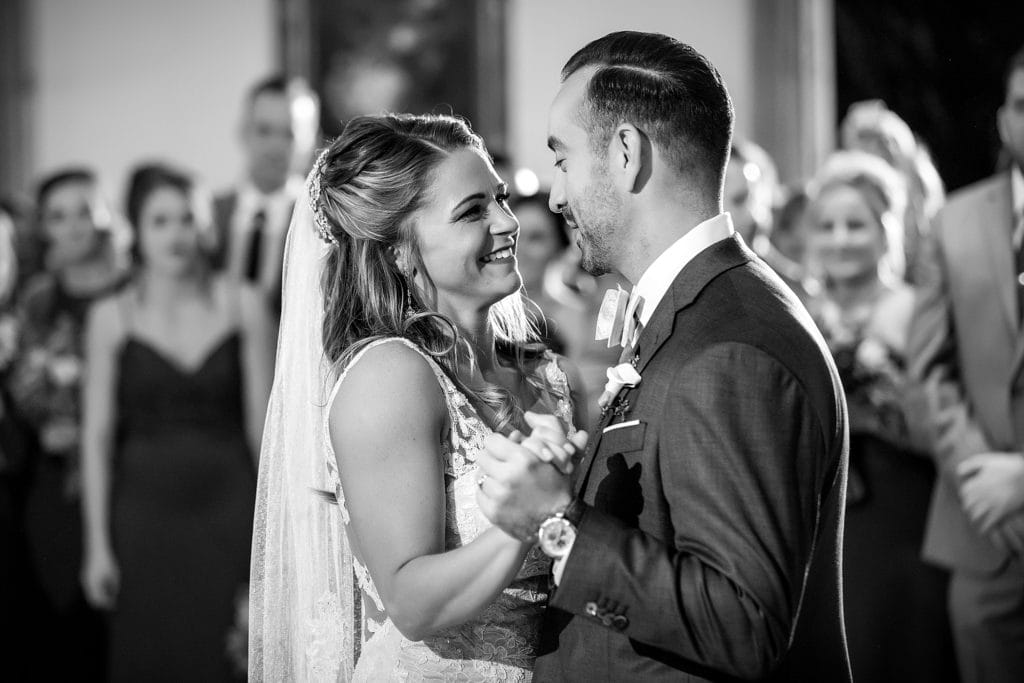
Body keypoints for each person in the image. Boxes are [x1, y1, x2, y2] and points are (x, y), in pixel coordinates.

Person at [475, 31, 851, 681]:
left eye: (562, 159)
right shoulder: (702, 308)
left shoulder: (730, 346)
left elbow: (742, 621)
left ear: (625, 152)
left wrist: (558, 520)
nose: (556, 197)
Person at [248, 113, 586, 680]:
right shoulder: (392, 376)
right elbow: (410, 601)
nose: (507, 222)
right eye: (472, 211)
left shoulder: (540, 372)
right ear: (402, 252)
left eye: (499, 198)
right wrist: (520, 522)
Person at [80, 163, 273, 681]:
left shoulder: (245, 304)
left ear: (206, 226)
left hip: (230, 510)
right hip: (142, 517)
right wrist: (97, 545)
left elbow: (264, 430)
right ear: (136, 231)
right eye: (159, 221)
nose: (175, 234)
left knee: (228, 657)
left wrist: (275, 537)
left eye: (187, 219)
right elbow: (95, 439)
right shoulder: (109, 317)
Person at [805, 150, 956, 682]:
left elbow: (943, 423)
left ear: (886, 230)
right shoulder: (803, 314)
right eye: (827, 225)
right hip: (829, 516)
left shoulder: (915, 312)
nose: (840, 239)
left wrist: (875, 404)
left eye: (856, 224)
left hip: (902, 505)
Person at [908, 45, 1024, 683]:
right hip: (982, 536)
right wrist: (985, 483)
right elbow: (928, 371)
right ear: (1005, 120)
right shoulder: (952, 224)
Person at [5, 167, 127, 680]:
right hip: (54, 481)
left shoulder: (135, 288)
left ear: (105, 215)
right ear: (45, 229)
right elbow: (22, 385)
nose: (75, 225)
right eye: (59, 216)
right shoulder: (36, 300)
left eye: (85, 210)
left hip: (126, 471)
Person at [210, 74, 319, 318]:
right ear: (243, 132)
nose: (275, 146)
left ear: (313, 139)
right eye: (264, 130)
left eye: (289, 134)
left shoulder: (325, 225)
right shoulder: (207, 213)